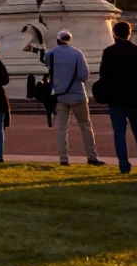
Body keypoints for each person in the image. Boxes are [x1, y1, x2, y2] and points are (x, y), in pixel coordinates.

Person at [97, 21, 137, 174]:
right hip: (135, 95)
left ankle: (124, 164)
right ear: (129, 33)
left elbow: (104, 74)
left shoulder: (109, 52)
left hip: (116, 96)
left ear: (114, 33)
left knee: (119, 133)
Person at [44, 30, 105, 167]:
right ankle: (92, 156)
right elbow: (84, 75)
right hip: (77, 94)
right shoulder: (77, 53)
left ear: (58, 40)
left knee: (62, 128)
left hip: (59, 95)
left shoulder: (50, 54)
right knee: (85, 126)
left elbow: (48, 67)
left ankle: (64, 158)